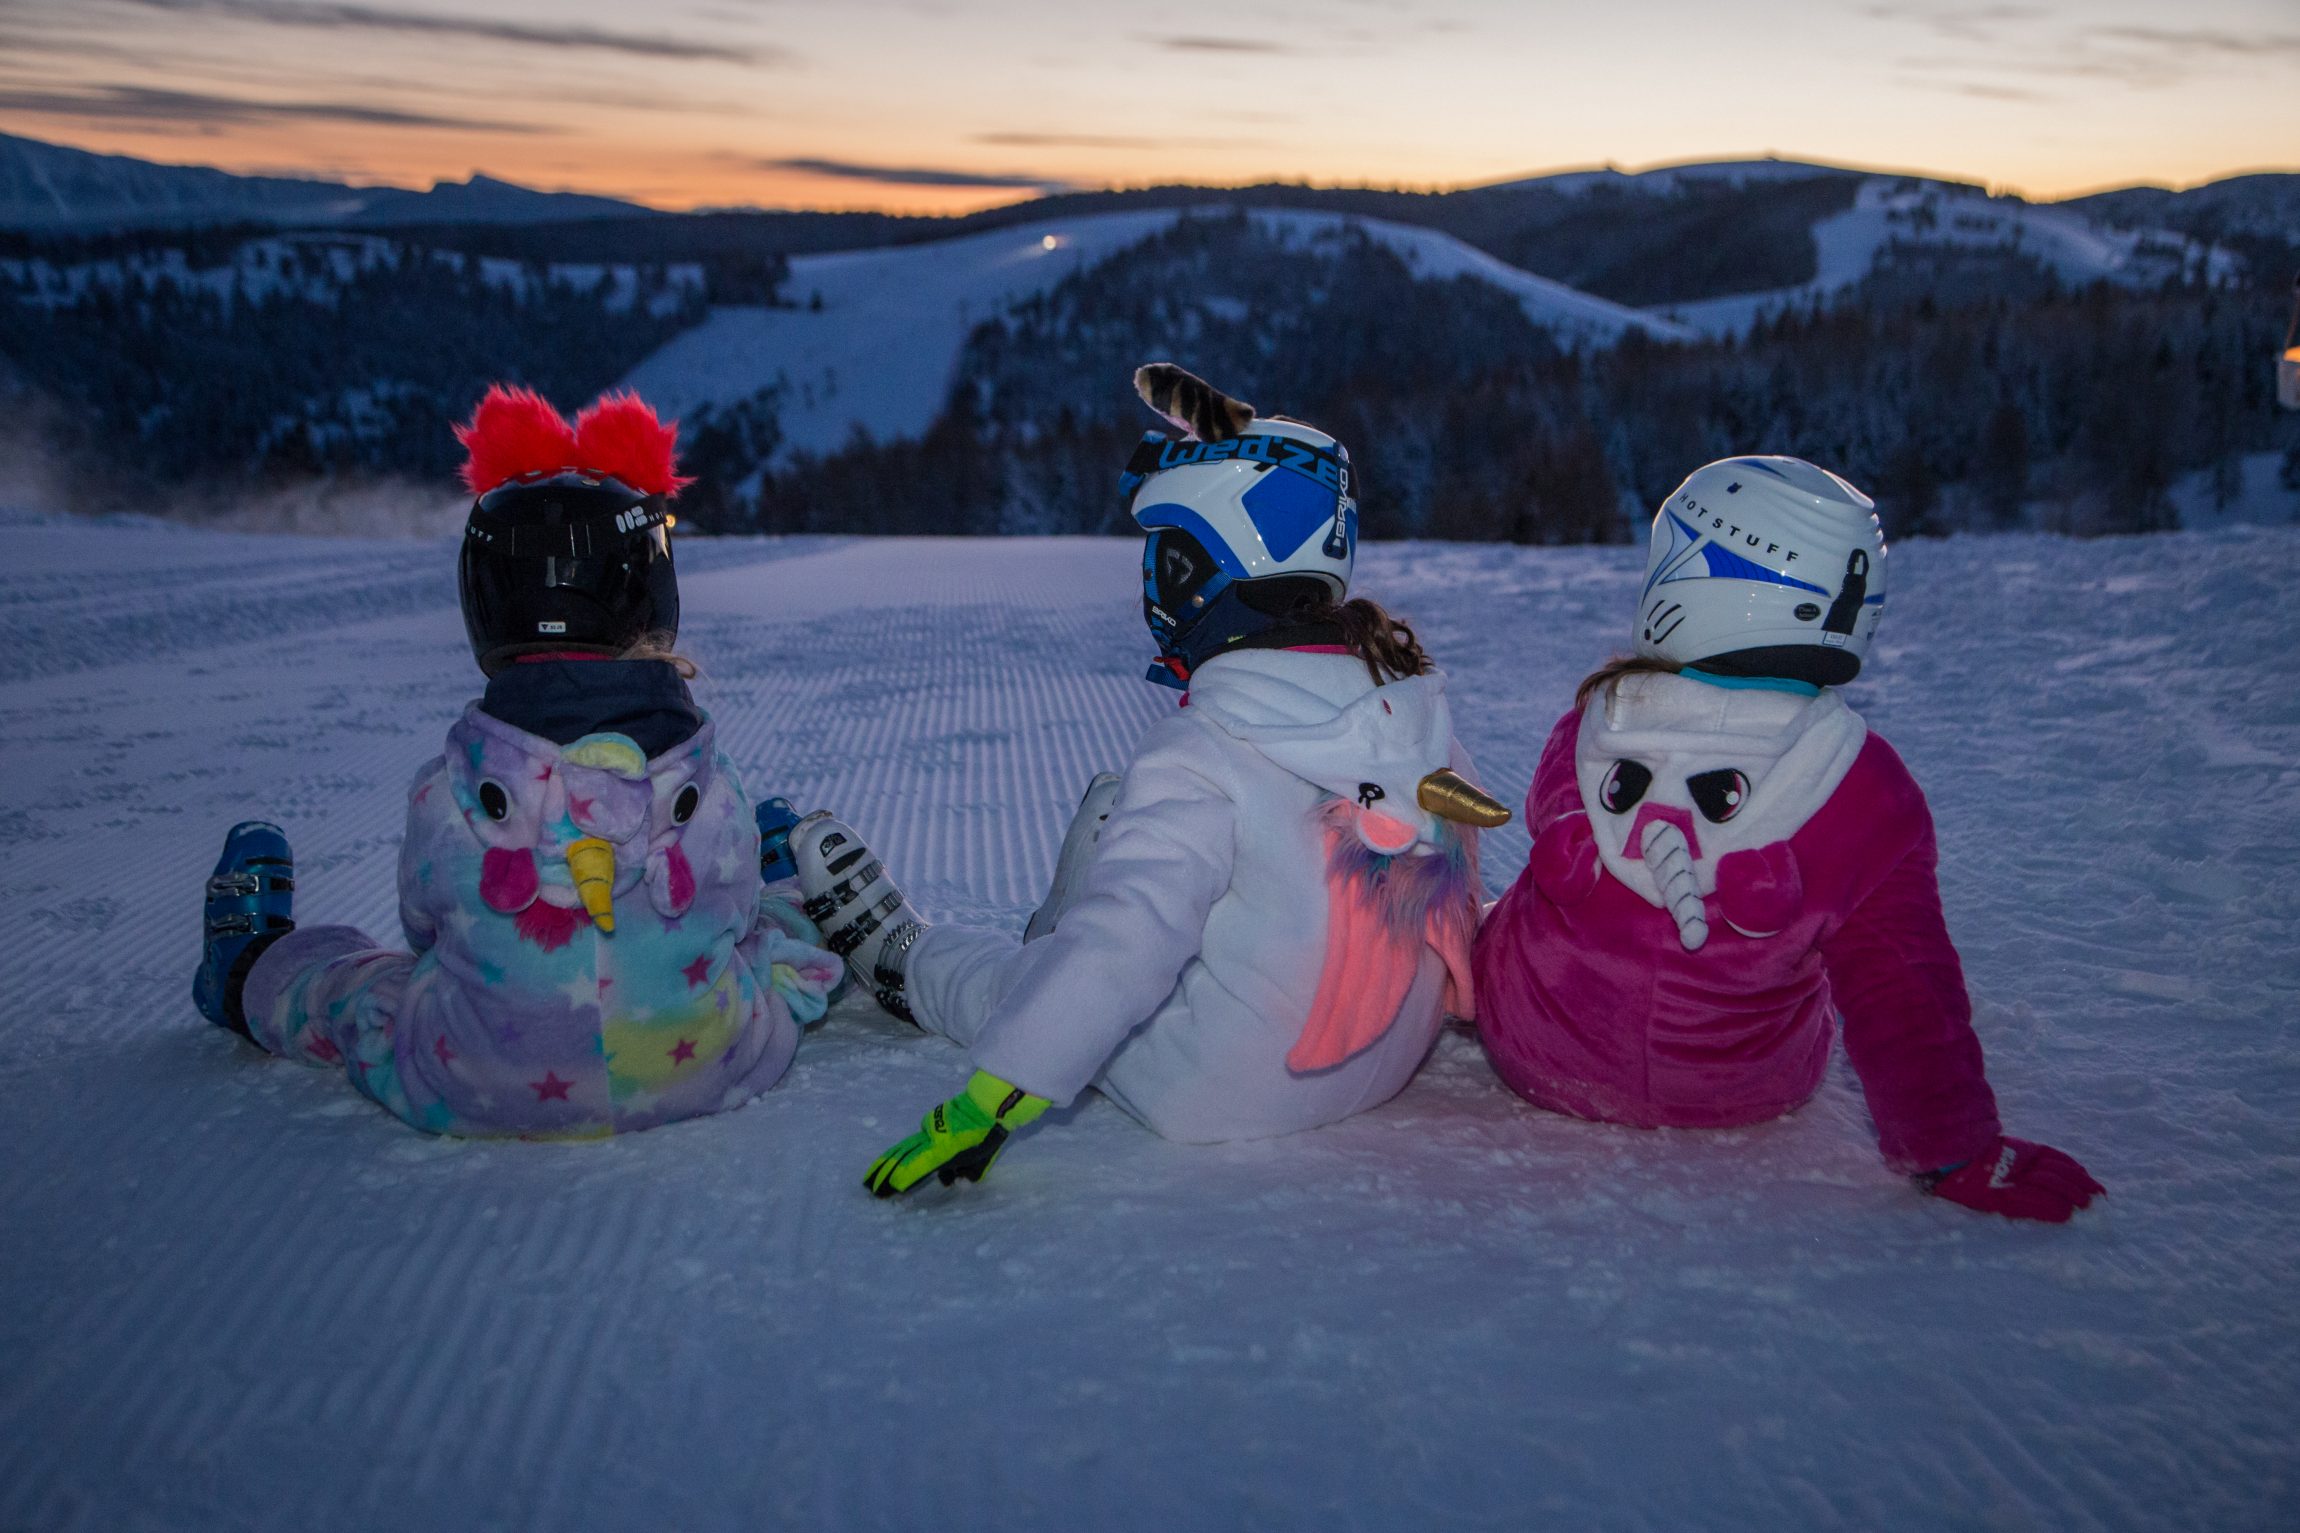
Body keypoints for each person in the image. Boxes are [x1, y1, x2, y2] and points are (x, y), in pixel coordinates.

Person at [797, 364, 1510, 1196]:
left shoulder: (1202, 750)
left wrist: (989, 1102)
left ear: (1192, 574)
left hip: (1221, 1086)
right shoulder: (1417, 717)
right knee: (1143, 843)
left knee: (1028, 980)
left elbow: (1126, 947)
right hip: (1379, 1061)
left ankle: (909, 963)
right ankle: (1069, 909)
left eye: (1164, 556)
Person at [191, 385, 838, 1137]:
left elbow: (424, 928)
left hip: (474, 1076)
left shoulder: (451, 793)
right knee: (767, 939)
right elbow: (730, 911)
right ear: (652, 591)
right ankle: (798, 876)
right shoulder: (709, 785)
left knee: (355, 989)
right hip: (701, 1066)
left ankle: (243, 972)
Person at [1472, 455, 2102, 1221]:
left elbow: (1553, 816)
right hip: (1739, 1087)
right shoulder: (1863, 784)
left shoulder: (1596, 722)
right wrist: (1956, 1148)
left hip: (1536, 1050)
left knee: (1497, 909)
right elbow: (1901, 986)